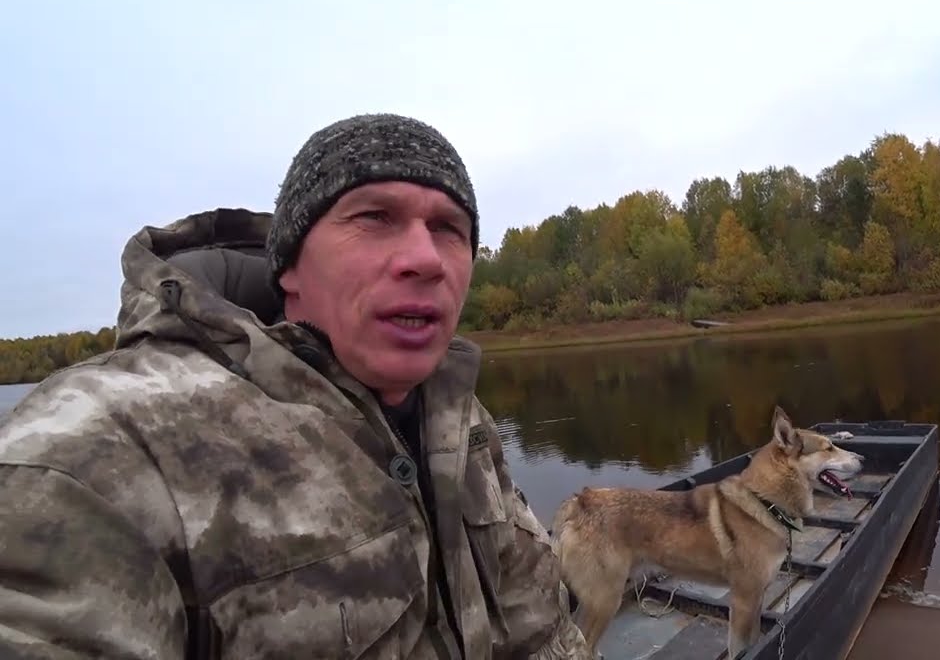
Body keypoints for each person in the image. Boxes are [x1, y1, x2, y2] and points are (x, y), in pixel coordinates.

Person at [0, 114, 592, 659]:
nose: (426, 258)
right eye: (374, 217)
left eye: (449, 229)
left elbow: (540, 627)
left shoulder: (459, 418)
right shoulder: (95, 453)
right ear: (288, 265)